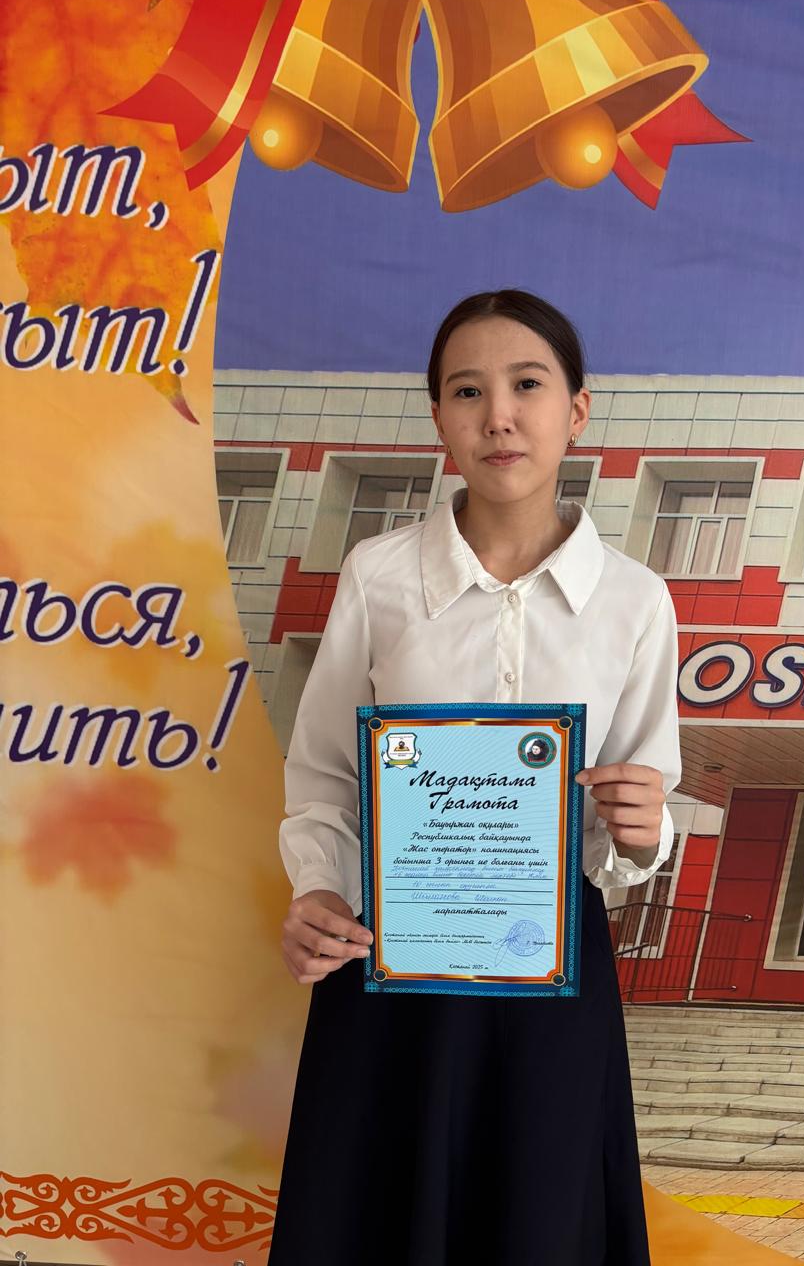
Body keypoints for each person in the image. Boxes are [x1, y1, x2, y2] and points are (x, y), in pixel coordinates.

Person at [267, 289, 682, 1266]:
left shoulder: (634, 601)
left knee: (539, 1218)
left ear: (577, 410)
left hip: (551, 974)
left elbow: (639, 809)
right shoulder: (377, 576)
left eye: (527, 384)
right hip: (390, 964)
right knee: (373, 1215)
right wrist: (318, 890)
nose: (499, 415)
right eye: (467, 391)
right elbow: (325, 774)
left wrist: (642, 829)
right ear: (440, 420)